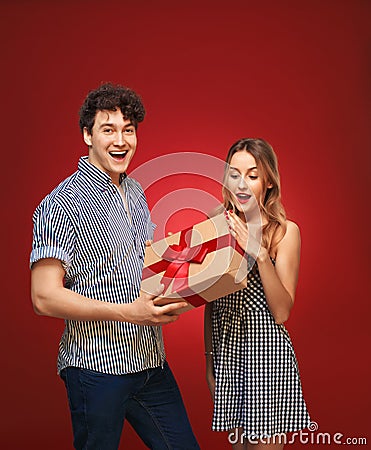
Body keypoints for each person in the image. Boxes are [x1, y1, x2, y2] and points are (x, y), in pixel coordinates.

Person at [30, 83, 200, 450]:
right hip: (95, 371)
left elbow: (142, 268)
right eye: (108, 129)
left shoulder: (136, 191)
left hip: (150, 362)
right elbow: (43, 297)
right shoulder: (62, 202)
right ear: (87, 135)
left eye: (128, 129)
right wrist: (129, 313)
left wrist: (181, 290)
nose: (120, 139)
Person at [204, 138, 310, 449]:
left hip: (267, 354)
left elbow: (282, 312)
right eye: (234, 174)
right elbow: (211, 300)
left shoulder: (285, 231)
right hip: (228, 354)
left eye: (252, 175)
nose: (242, 184)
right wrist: (209, 362)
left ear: (268, 183)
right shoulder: (218, 220)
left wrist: (259, 253)